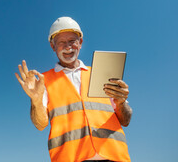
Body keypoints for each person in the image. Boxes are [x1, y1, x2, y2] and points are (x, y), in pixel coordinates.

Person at [15, 17, 132, 162]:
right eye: (61, 43)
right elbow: (40, 124)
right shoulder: (44, 81)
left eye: (72, 41)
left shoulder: (100, 74)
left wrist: (121, 103)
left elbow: (125, 120)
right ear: (53, 46)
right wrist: (36, 100)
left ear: (80, 43)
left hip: (114, 157)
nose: (68, 47)